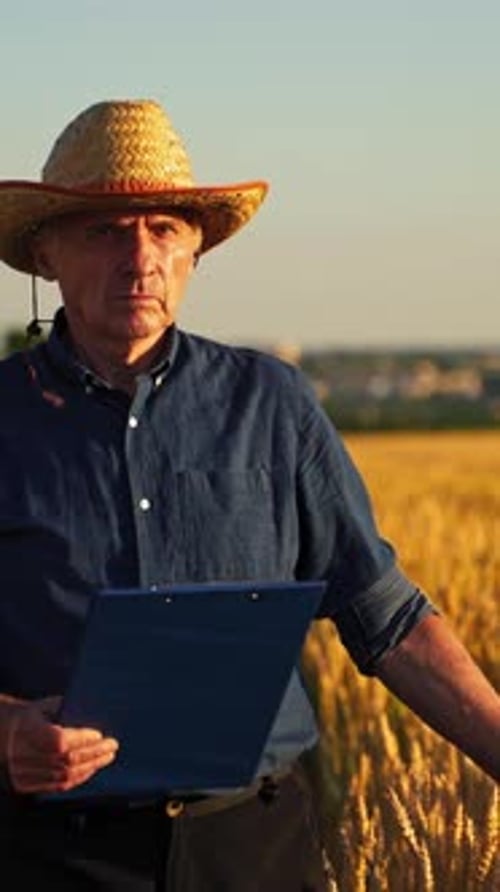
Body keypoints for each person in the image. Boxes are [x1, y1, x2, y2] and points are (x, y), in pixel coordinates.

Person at [0, 99, 498, 892]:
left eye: (165, 228)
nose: (141, 258)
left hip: (254, 845)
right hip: (52, 853)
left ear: (197, 246)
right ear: (46, 251)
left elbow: (388, 617)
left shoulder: (272, 403)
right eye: (106, 230)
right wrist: (5, 729)